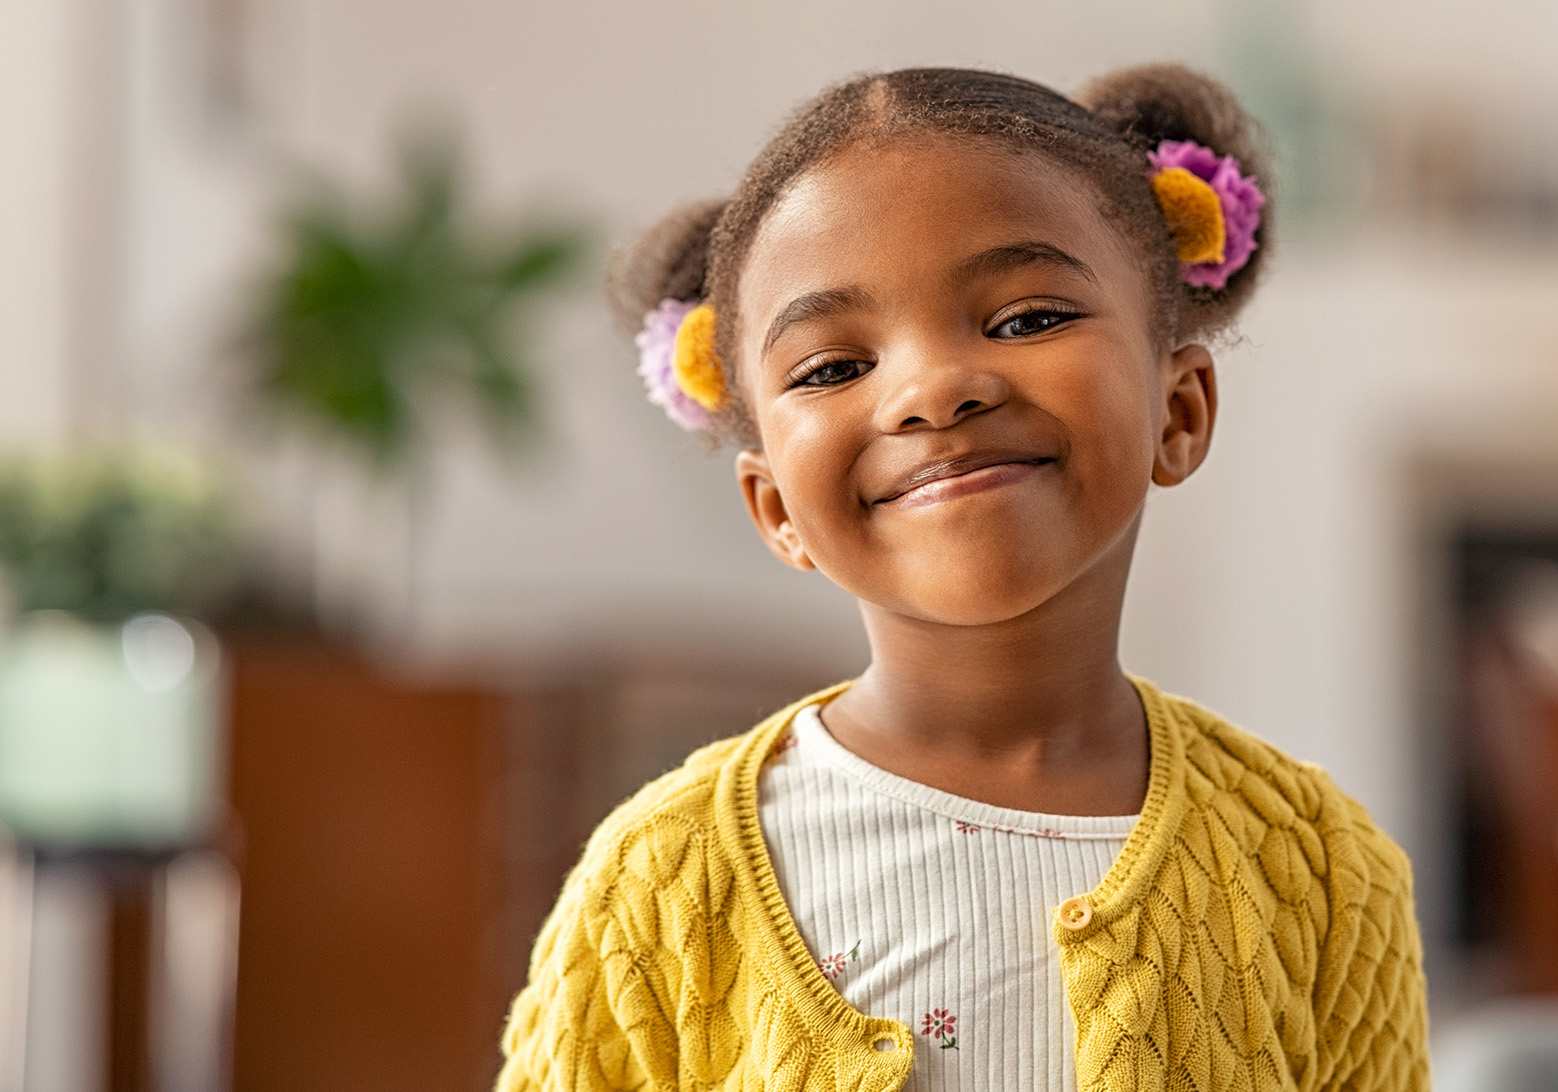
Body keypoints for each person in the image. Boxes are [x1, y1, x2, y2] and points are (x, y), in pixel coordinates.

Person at [497, 64, 1429, 1092]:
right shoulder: (655, 886)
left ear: (1180, 410)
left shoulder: (1326, 873)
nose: (932, 390)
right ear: (773, 508)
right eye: (833, 367)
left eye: (1027, 319)